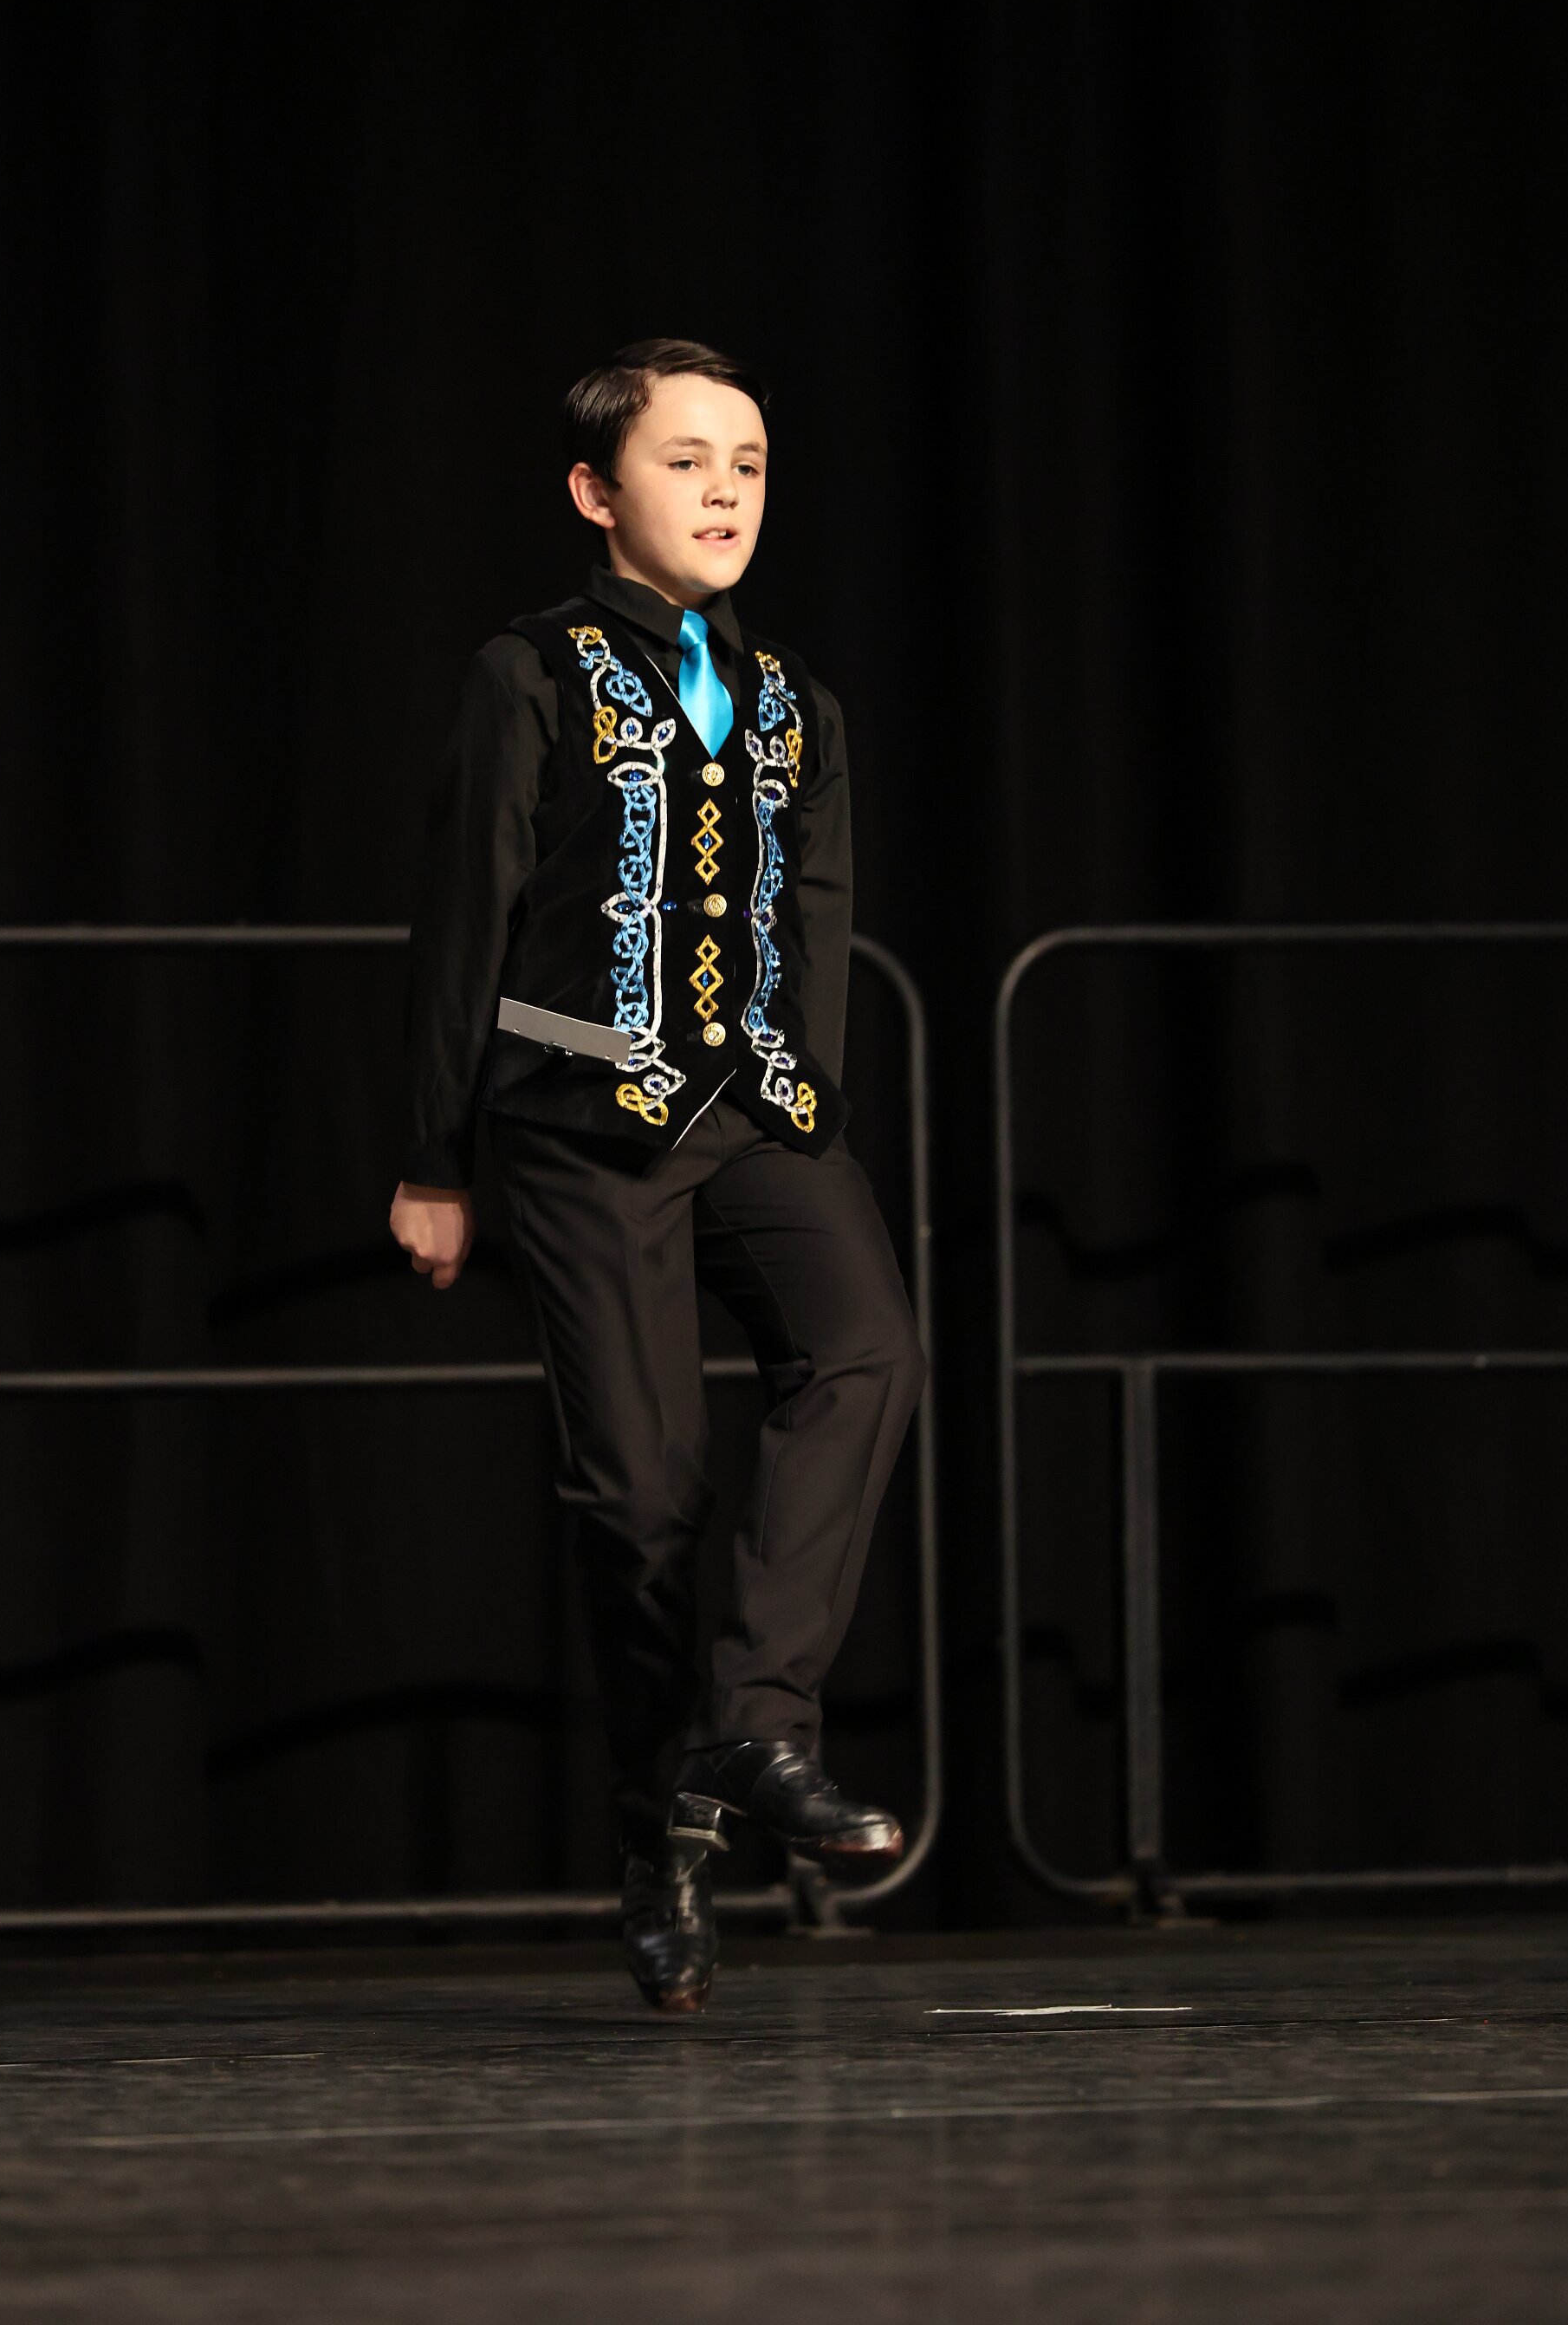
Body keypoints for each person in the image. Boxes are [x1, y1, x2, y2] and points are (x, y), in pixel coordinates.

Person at [389, 338, 926, 2011]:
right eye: (686, 461)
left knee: (867, 1348)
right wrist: (433, 1156)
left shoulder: (795, 704)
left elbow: (817, 917)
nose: (724, 492)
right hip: (579, 1103)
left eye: (747, 465)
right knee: (640, 1495)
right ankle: (657, 1847)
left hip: (754, 1110)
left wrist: (806, 1101)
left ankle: (756, 1725)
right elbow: (465, 920)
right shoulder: (534, 671)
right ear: (596, 490)